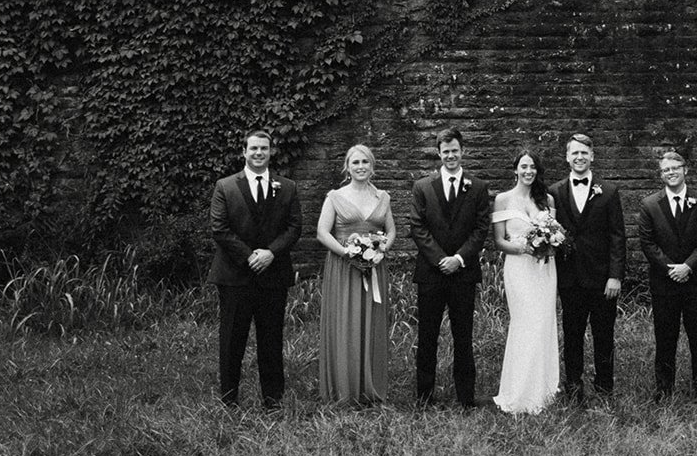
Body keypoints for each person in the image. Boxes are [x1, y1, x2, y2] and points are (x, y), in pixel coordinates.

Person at [208, 128, 302, 410]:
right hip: (235, 275)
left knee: (271, 339)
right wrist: (250, 257)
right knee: (232, 339)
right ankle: (229, 398)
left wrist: (271, 253)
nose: (259, 153)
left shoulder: (287, 187)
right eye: (254, 148)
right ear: (244, 152)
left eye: (264, 148)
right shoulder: (225, 186)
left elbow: (294, 227)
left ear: (271, 151)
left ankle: (273, 399)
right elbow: (219, 229)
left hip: (273, 275)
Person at [410, 128, 492, 408]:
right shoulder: (423, 187)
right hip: (431, 273)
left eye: (455, 150)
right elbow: (417, 227)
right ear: (439, 153)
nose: (451, 155)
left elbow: (481, 229)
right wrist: (439, 259)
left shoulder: (478, 187)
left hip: (463, 273)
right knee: (427, 336)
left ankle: (466, 398)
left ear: (462, 151)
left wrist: (458, 258)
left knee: (463, 336)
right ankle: (424, 397)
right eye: (445, 151)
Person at [636, 146, 697, 401]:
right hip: (665, 283)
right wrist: (671, 269)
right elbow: (648, 244)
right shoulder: (649, 205)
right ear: (661, 175)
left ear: (685, 170)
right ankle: (664, 392)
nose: (671, 173)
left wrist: (688, 266)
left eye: (675, 168)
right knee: (665, 339)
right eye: (666, 170)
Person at [316, 143, 396, 404]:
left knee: (372, 323)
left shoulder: (382, 197)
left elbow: (391, 230)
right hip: (344, 269)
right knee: (346, 322)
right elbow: (322, 233)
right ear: (347, 167)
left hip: (374, 269)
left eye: (365, 162)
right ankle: (345, 387)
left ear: (372, 166)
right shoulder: (335, 196)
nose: (361, 167)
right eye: (356, 163)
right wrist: (347, 253)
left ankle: (370, 386)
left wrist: (382, 248)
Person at [549, 132, 626, 401]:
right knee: (572, 334)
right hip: (569, 278)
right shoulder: (554, 192)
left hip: (602, 279)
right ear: (567, 157)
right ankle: (573, 388)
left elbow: (617, 237)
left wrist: (615, 276)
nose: (579, 157)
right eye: (575, 153)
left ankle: (604, 388)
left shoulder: (609, 191)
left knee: (603, 335)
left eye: (585, 152)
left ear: (592, 156)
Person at [490, 148, 561, 413]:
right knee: (524, 323)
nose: (528, 171)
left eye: (532, 167)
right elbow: (499, 241)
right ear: (515, 170)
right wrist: (524, 248)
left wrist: (551, 241)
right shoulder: (502, 200)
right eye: (523, 167)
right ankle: (517, 390)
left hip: (544, 270)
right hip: (519, 268)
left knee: (543, 323)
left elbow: (556, 234)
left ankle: (543, 389)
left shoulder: (548, 200)